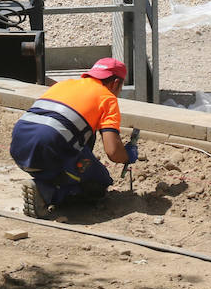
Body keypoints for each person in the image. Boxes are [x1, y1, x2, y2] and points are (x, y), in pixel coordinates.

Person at [10, 56, 138, 219]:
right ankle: (46, 192)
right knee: (99, 182)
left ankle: (47, 181)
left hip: (19, 145)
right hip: (49, 148)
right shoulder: (107, 98)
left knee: (73, 155)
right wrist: (128, 155)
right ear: (115, 83)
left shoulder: (64, 84)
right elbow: (113, 152)